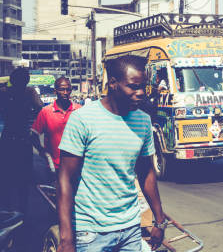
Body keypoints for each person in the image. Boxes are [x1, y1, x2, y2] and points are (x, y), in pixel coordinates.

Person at [57, 55, 166, 252]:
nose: (141, 93)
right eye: (134, 87)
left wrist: (159, 220)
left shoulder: (143, 121)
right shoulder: (83, 120)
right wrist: (66, 238)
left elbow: (147, 173)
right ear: (113, 84)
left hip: (130, 229)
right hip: (91, 232)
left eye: (143, 87)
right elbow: (65, 179)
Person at [0, 67, 44, 214]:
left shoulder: (4, 93)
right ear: (27, 81)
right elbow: (40, 107)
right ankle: (22, 211)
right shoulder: (29, 93)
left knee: (5, 178)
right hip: (22, 139)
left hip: (7, 138)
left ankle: (6, 209)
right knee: (23, 180)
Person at [31, 76, 81, 174]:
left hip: (77, 165)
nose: (65, 93)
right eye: (62, 89)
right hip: (53, 167)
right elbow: (34, 135)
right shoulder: (46, 112)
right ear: (55, 91)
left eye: (68, 89)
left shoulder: (79, 110)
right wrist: (44, 153)